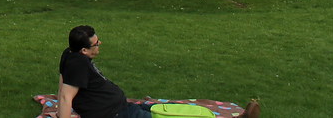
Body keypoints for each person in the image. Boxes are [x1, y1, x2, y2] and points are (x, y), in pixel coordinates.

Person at [58, 25, 260, 118]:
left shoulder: (69, 53)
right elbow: (67, 96)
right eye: (95, 43)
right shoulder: (78, 63)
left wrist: (60, 110)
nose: (99, 44)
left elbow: (62, 80)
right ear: (84, 50)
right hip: (115, 113)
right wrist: (63, 112)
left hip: (122, 106)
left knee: (168, 108)